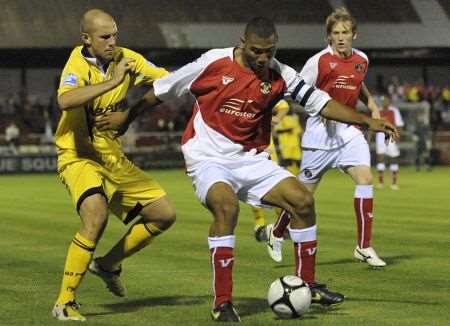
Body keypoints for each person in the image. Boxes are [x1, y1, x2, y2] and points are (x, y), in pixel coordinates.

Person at [96, 17, 398, 322]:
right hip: (208, 157)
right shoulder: (214, 62)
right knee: (226, 207)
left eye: (269, 51)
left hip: (252, 159)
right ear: (243, 42)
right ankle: (222, 303)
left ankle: (307, 284)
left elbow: (321, 103)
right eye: (257, 51)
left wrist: (366, 120)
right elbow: (161, 90)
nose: (263, 58)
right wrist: (127, 117)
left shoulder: (280, 73)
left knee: (302, 201)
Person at [51, 9, 176, 322]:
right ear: (86, 39)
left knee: (163, 215)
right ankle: (64, 303)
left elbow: (169, 83)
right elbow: (66, 101)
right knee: (96, 214)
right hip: (77, 155)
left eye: (114, 35)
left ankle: (107, 265)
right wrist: (116, 81)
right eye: (104, 37)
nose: (112, 42)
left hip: (112, 156)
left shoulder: (127, 58)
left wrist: (129, 115)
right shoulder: (77, 63)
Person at [269, 7, 388, 268]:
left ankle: (364, 246)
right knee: (303, 197)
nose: (341, 37)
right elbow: (296, 90)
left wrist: (372, 105)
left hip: (349, 132)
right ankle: (276, 232)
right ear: (329, 37)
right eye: (336, 33)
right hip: (319, 135)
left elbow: (357, 83)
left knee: (365, 179)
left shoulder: (362, 60)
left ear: (354, 34)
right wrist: (301, 107)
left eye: (345, 32)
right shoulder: (319, 62)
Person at [253, 99, 302, 247]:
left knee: (277, 189)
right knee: (254, 189)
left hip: (268, 151)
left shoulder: (262, 95)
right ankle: (259, 224)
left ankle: (281, 225)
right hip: (249, 150)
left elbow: (283, 105)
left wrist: (274, 120)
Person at [376, 95, 404, 189]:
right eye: (383, 101)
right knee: (380, 158)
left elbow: (399, 125)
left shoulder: (394, 111)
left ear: (389, 101)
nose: (385, 102)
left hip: (391, 135)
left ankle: (394, 183)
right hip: (380, 135)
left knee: (393, 158)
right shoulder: (378, 111)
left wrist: (397, 136)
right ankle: (381, 183)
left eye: (386, 101)